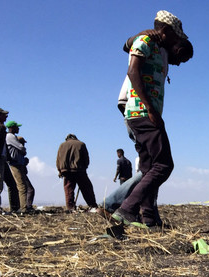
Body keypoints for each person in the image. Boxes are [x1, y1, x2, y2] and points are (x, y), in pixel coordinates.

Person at [112, 10, 189, 227]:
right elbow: (133, 72)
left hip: (145, 112)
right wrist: (150, 109)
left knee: (148, 168)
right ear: (165, 31)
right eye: (175, 37)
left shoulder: (161, 48)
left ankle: (149, 217)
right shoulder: (144, 40)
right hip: (142, 112)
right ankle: (126, 209)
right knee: (164, 164)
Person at [56, 134, 97, 212]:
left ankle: (70, 207)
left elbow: (58, 159)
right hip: (80, 170)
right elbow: (86, 158)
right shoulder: (81, 144)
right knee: (87, 188)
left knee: (69, 189)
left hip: (66, 171)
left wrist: (60, 170)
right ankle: (92, 206)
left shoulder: (62, 145)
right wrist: (85, 167)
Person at [5, 121, 34, 213]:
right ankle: (23, 208)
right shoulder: (10, 136)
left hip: (17, 163)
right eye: (17, 127)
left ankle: (22, 207)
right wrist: (23, 150)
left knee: (22, 186)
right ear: (12, 127)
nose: (18, 129)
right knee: (21, 186)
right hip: (15, 164)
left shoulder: (11, 136)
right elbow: (21, 148)